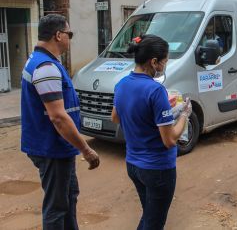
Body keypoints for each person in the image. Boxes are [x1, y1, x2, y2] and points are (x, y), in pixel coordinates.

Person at [20, 14, 100, 230]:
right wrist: (86, 149)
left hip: (57, 146)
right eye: (69, 34)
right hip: (51, 147)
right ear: (58, 35)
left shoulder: (43, 61)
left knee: (68, 197)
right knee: (57, 207)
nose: (69, 38)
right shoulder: (45, 67)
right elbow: (58, 117)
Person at [111, 34, 192, 230]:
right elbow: (170, 140)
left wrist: (146, 118)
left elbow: (115, 117)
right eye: (165, 61)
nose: (165, 65)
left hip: (133, 164)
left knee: (149, 215)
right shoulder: (156, 91)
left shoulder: (121, 84)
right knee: (154, 222)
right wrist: (184, 115)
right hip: (157, 168)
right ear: (154, 61)